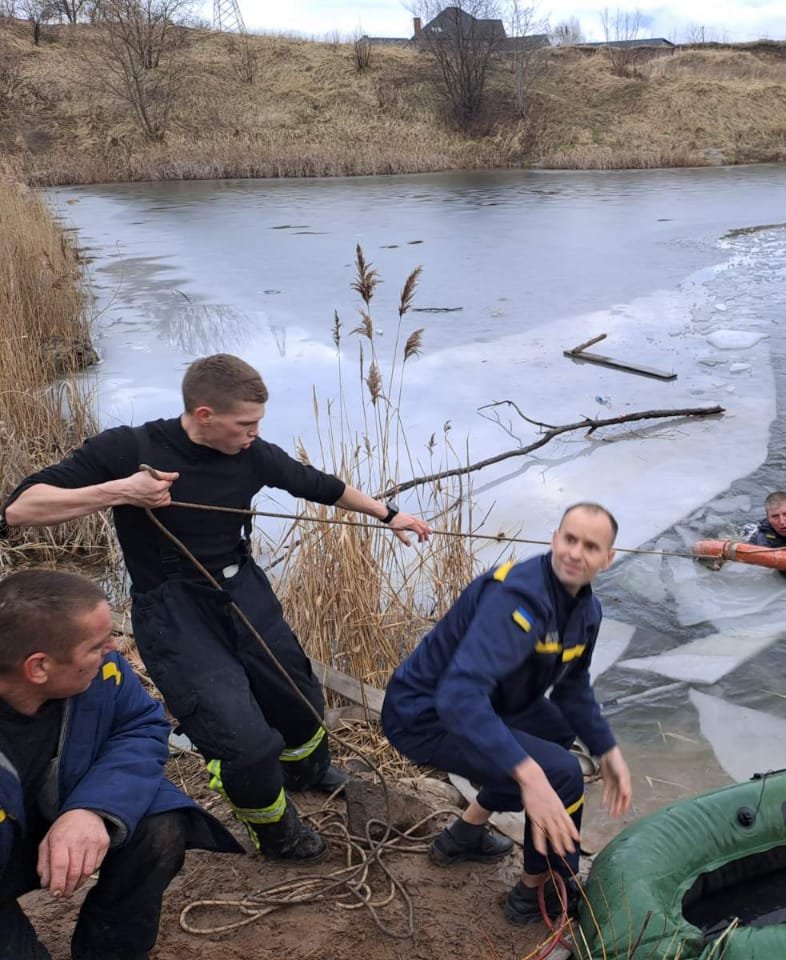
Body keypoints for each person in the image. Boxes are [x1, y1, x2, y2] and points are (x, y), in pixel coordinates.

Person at [1, 354, 431, 863]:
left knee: (296, 695)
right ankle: (274, 831)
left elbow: (320, 485)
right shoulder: (129, 449)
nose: (253, 433)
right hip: (171, 607)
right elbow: (19, 509)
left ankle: (307, 772)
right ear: (204, 415)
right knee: (241, 738)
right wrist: (124, 491)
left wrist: (390, 515)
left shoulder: (253, 455)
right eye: (245, 424)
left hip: (241, 587)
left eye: (258, 424)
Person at [381, 502, 632, 924]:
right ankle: (536, 892)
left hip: (488, 703)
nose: (575, 553)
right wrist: (529, 775)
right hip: (424, 714)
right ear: (554, 539)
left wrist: (607, 750)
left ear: (607, 560)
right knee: (560, 773)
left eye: (590, 546)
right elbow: (459, 696)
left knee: (559, 730)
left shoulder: (587, 612)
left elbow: (571, 688)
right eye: (569, 539)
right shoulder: (518, 598)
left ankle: (465, 833)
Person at [0, 569, 241, 960]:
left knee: (159, 824)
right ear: (38, 668)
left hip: (47, 820)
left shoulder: (99, 674)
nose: (114, 647)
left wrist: (93, 809)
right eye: (97, 645)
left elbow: (140, 724)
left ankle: (109, 950)